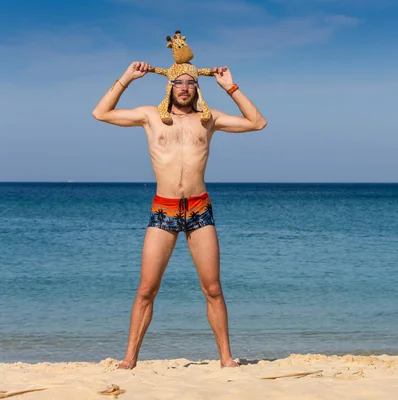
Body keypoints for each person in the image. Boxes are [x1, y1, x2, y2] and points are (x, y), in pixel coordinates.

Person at [92, 61, 267, 369]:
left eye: (190, 83)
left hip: (199, 209)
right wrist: (127, 77)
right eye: (179, 83)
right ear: (169, 87)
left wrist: (230, 86)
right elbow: (101, 113)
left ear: (196, 88)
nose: (185, 87)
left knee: (212, 288)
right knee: (147, 289)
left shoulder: (208, 119)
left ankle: (226, 359)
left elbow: (257, 122)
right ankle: (129, 359)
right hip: (164, 208)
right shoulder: (150, 117)